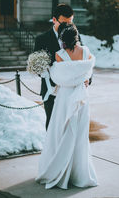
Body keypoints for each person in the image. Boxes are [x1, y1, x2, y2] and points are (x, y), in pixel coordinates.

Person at [36, 23, 98, 189]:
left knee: (62, 133)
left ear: (63, 39)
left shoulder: (59, 55)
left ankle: (61, 171)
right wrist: (84, 80)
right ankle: (80, 173)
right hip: (82, 98)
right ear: (76, 37)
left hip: (65, 98)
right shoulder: (86, 52)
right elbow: (87, 72)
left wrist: (49, 70)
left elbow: (59, 79)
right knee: (80, 136)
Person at [34, 4, 74, 130]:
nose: (67, 27)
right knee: (52, 126)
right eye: (64, 23)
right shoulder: (42, 39)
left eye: (70, 23)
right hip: (51, 91)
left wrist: (87, 79)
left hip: (71, 91)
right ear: (54, 20)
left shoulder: (75, 36)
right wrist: (47, 72)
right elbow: (37, 67)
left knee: (69, 127)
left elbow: (83, 58)